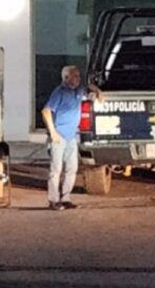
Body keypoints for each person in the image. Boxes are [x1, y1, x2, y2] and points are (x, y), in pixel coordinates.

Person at [42, 65, 101, 210]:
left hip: (71, 136)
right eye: (75, 76)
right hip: (59, 136)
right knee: (56, 169)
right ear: (66, 77)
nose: (78, 79)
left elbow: (98, 99)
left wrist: (95, 88)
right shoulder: (59, 92)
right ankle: (54, 200)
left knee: (72, 168)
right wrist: (53, 132)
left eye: (78, 76)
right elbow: (46, 111)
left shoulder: (79, 91)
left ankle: (66, 198)